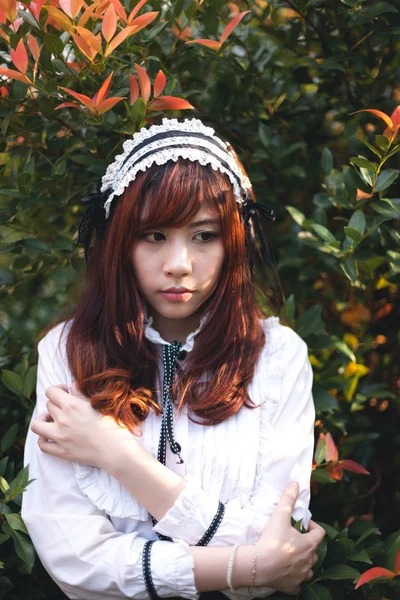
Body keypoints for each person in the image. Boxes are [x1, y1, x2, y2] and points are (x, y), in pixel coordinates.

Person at [21, 117, 325, 600]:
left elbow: (278, 541)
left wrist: (117, 455)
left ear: (234, 241)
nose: (179, 263)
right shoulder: (67, 352)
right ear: (121, 243)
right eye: (154, 236)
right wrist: (249, 568)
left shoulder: (278, 358)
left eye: (204, 235)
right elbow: (73, 560)